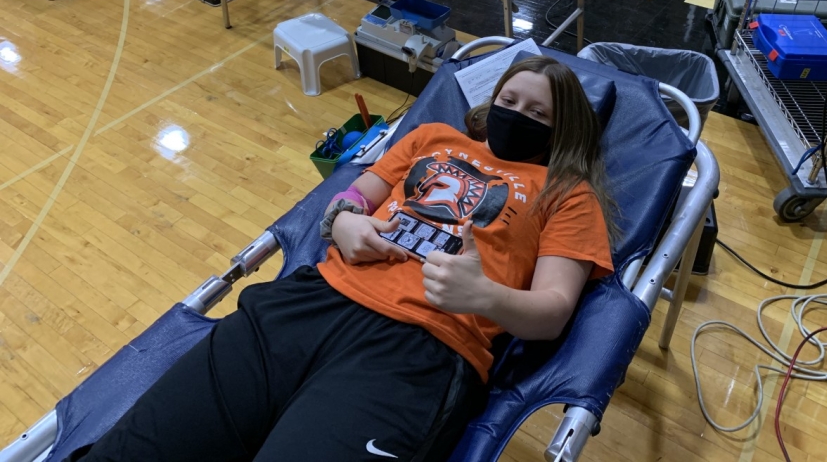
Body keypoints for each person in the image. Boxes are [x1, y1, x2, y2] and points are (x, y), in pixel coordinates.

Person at [67, 56, 614, 462]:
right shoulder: (431, 137)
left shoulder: (566, 192)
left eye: (537, 112)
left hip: (420, 349)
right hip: (307, 304)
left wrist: (485, 296)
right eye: (509, 100)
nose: (516, 114)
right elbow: (355, 194)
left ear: (560, 129)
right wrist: (343, 222)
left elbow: (554, 309)